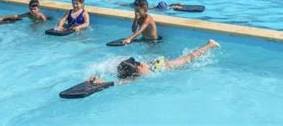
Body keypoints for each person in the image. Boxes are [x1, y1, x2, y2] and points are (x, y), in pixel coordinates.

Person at [85, 39, 220, 85]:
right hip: (156, 63)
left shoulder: (133, 77)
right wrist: (99, 80)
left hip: (162, 66)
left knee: (189, 59)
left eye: (138, 65)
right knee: (187, 59)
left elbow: (119, 82)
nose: (139, 64)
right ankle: (208, 45)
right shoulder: (132, 70)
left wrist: (101, 81)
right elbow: (117, 79)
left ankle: (209, 45)